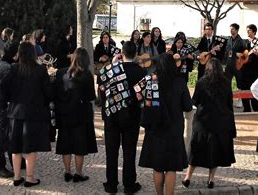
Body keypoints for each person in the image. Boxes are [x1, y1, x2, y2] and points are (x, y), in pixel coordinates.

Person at [138, 53, 193, 195]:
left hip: (155, 127)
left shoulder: (151, 81)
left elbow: (139, 97)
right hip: (174, 128)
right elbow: (187, 105)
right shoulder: (180, 81)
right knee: (171, 167)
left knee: (157, 166)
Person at [99, 41, 147, 194]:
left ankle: (111, 184)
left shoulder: (111, 70)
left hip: (112, 115)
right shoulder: (141, 72)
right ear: (135, 54)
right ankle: (129, 184)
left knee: (111, 150)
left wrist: (112, 65)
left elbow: (101, 88)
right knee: (129, 151)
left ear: (122, 52)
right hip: (132, 116)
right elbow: (143, 97)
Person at [4, 42, 53, 187]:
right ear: (33, 54)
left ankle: (17, 176)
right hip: (34, 113)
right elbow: (48, 92)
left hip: (15, 112)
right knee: (31, 147)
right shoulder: (40, 70)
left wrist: (10, 99)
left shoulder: (13, 68)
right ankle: (30, 178)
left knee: (16, 145)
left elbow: (3, 86)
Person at [183, 58, 236, 189]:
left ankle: (188, 177)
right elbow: (229, 103)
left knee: (196, 150)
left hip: (203, 121)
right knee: (215, 152)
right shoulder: (226, 82)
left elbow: (195, 101)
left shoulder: (201, 82)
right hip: (221, 121)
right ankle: (211, 179)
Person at [55, 48, 97, 181]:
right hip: (81, 114)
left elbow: (56, 93)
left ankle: (67, 171)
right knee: (79, 145)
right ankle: (78, 173)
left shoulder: (61, 73)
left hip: (64, 113)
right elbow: (91, 96)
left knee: (65, 144)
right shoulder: (87, 75)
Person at [0, 40, 19, 178]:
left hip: (3, 106)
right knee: (2, 138)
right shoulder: (8, 68)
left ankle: (11, 162)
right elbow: (8, 89)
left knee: (7, 137)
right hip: (4, 107)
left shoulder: (3, 65)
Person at [237, 24, 258, 112]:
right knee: (244, 88)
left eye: (249, 30)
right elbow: (238, 52)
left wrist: (257, 53)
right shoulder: (243, 42)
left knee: (254, 87)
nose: (247, 32)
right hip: (243, 69)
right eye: (247, 30)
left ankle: (255, 106)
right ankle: (246, 107)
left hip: (254, 69)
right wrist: (239, 55)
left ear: (254, 32)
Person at [224, 23, 245, 89]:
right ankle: (227, 98)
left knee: (240, 83)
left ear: (237, 30)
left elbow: (244, 54)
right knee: (226, 83)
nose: (231, 30)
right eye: (230, 29)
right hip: (228, 65)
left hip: (238, 65)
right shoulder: (227, 40)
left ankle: (240, 98)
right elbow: (226, 52)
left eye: (232, 29)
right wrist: (235, 53)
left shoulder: (242, 41)